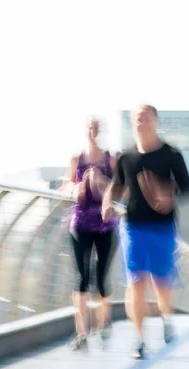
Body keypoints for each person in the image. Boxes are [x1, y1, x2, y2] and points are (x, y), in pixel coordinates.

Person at [102, 105, 189, 359]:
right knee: (137, 281)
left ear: (156, 120)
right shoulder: (126, 156)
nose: (141, 122)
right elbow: (116, 185)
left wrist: (169, 196)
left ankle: (166, 318)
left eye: (145, 118)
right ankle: (139, 339)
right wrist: (108, 200)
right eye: (136, 119)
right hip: (132, 226)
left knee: (161, 283)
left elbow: (186, 188)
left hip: (163, 226)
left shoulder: (172, 154)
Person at [62, 118, 118, 351]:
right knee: (82, 276)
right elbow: (66, 184)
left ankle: (103, 321)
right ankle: (82, 333)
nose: (93, 132)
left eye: (97, 128)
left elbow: (120, 188)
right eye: (89, 128)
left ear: (102, 132)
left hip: (105, 224)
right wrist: (77, 187)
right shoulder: (77, 159)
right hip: (81, 222)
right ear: (85, 131)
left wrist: (103, 183)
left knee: (102, 278)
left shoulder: (110, 159)